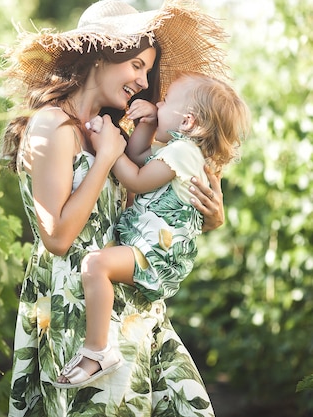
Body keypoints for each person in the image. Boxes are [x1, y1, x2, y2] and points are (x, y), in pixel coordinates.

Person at [0, 0, 231, 415]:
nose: (143, 81)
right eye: (137, 66)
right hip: (78, 307)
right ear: (103, 53)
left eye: (147, 70)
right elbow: (56, 237)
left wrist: (209, 216)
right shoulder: (54, 126)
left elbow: (147, 212)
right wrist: (105, 157)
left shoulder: (113, 132)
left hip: (131, 303)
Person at [54, 72, 250, 389]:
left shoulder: (184, 153)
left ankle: (97, 351)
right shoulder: (177, 149)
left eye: (166, 101)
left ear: (187, 122)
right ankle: (98, 349)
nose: (158, 103)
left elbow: (136, 178)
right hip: (148, 250)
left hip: (156, 256)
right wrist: (145, 124)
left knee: (95, 264)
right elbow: (138, 157)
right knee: (99, 265)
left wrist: (108, 147)